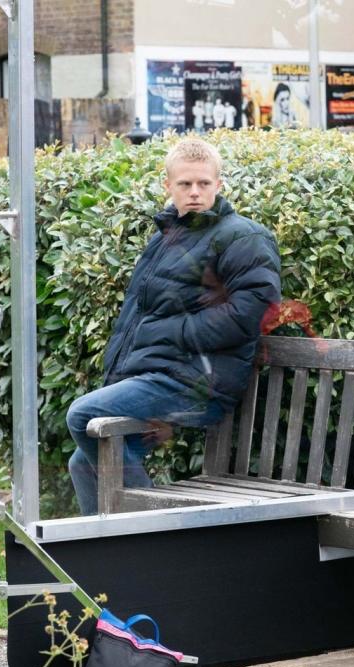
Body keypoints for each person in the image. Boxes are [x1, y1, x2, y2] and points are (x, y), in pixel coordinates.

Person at [66, 138, 282, 516]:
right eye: (185, 184)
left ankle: (153, 531)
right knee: (82, 462)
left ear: (219, 184)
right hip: (159, 379)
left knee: (82, 415)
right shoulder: (166, 239)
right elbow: (135, 320)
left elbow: (251, 313)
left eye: (203, 183)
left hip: (198, 383)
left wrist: (175, 332)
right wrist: (119, 385)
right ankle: (103, 561)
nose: (195, 192)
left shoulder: (244, 237)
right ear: (169, 187)